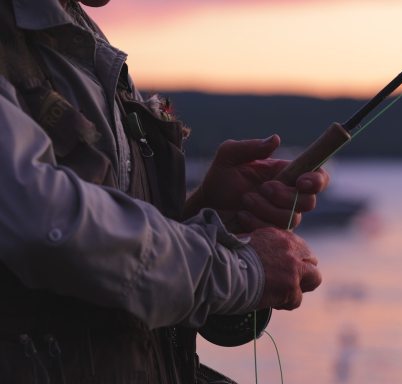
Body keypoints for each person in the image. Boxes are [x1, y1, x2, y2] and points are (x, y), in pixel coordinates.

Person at [0, 0, 329, 382]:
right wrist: (244, 270)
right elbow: (44, 225)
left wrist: (208, 215)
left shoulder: (76, 40)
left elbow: (102, 261)